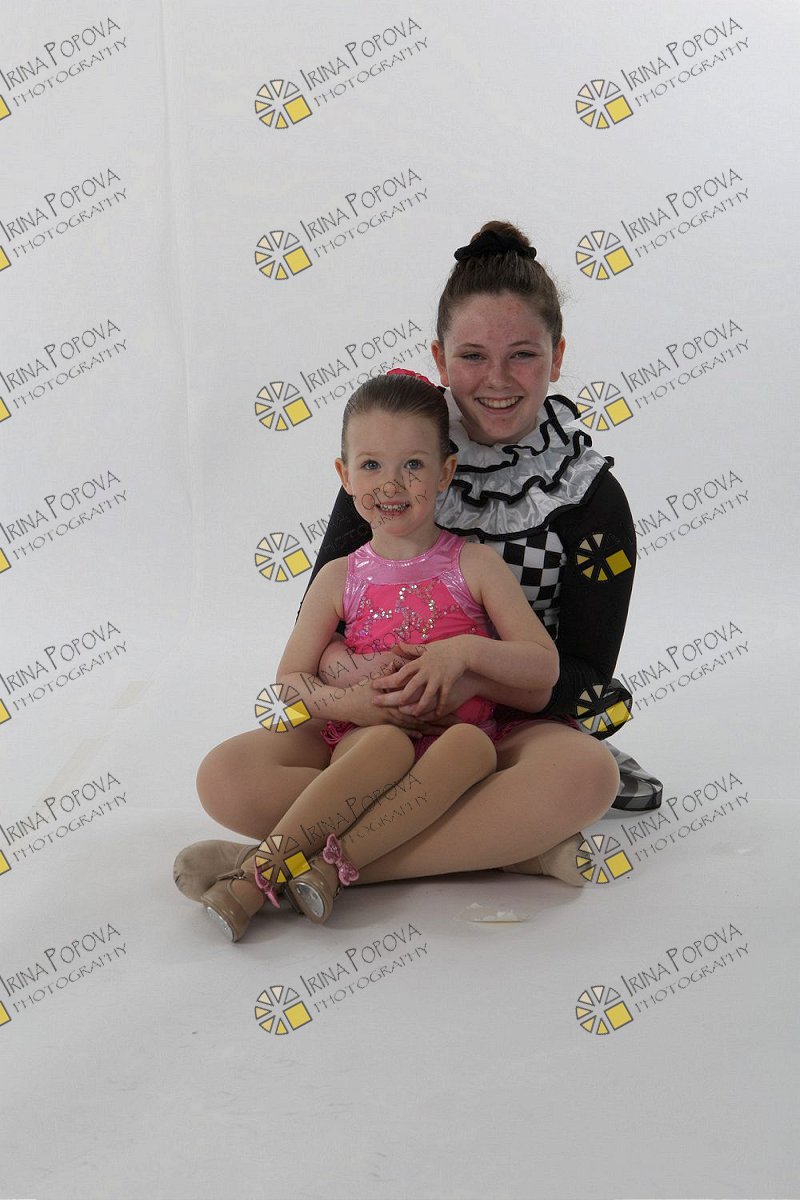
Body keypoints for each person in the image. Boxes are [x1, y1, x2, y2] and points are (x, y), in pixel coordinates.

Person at [174, 219, 661, 923]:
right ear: (439, 357)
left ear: (557, 357)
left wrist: (466, 673)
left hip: (503, 727)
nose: (497, 379)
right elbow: (325, 620)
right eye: (473, 356)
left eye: (523, 355)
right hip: (375, 723)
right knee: (226, 777)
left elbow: (583, 680)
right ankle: (510, 849)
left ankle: (278, 866)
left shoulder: (590, 499)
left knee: (586, 774)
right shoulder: (397, 458)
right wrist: (373, 687)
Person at [195, 370, 561, 941]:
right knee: (375, 745)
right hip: (369, 745)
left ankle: (290, 867)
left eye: (413, 464)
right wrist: (354, 705)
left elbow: (542, 670)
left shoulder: (475, 565)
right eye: (370, 465)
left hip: (454, 753)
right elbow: (288, 683)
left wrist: (464, 652)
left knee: (472, 745)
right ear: (344, 475)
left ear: (445, 472)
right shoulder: (340, 577)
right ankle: (283, 872)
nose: (391, 484)